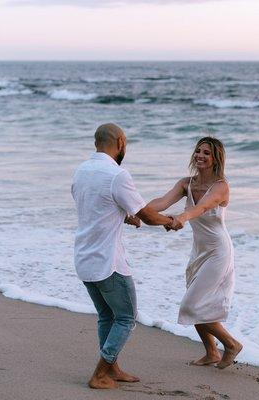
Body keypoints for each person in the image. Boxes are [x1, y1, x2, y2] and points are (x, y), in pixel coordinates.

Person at [71, 123, 180, 390]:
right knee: (126, 318)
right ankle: (99, 373)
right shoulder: (117, 174)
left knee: (107, 317)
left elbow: (96, 206)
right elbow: (147, 214)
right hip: (109, 262)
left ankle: (113, 368)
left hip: (84, 258)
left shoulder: (82, 170)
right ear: (120, 142)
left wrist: (124, 216)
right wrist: (170, 221)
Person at [149, 137, 243, 369]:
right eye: (198, 151)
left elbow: (201, 208)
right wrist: (135, 210)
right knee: (199, 303)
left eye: (207, 153)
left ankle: (231, 344)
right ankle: (211, 352)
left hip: (218, 252)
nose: (200, 155)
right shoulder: (186, 184)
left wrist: (180, 218)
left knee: (191, 305)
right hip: (198, 251)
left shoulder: (221, 187)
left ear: (216, 159)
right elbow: (161, 202)